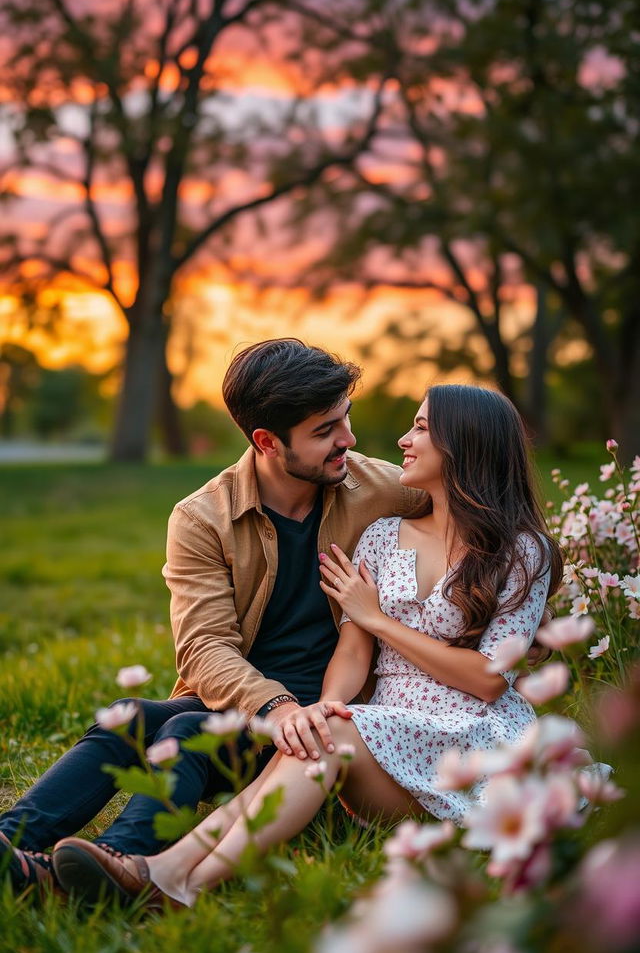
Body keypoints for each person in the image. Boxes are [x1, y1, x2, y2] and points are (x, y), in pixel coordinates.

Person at [50, 383, 563, 909]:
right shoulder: (384, 536)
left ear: (467, 444)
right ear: (268, 441)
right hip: (387, 742)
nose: (403, 440)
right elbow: (352, 650)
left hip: (476, 744)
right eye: (411, 425)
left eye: (422, 428)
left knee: (321, 732)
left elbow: (486, 678)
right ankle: (150, 870)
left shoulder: (524, 551)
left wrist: (378, 620)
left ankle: (177, 879)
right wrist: (321, 705)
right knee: (306, 729)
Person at [0, 339, 425, 896]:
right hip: (254, 705)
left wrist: (531, 605)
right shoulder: (203, 518)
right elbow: (203, 650)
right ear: (267, 442)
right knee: (127, 716)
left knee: (185, 728)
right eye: (324, 431)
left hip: (336, 716)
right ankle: (12, 843)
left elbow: (496, 517)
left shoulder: (384, 489)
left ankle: (118, 865)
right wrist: (274, 706)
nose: (347, 439)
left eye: (344, 419)